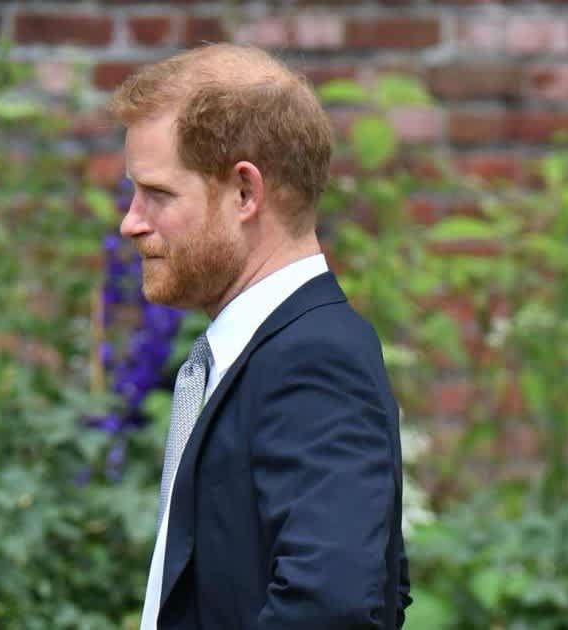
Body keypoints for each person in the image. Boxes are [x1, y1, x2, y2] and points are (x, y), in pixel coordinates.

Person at [110, 44, 410, 629]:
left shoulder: (314, 359)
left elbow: (332, 608)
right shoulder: (253, 354)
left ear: (246, 193)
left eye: (158, 194)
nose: (131, 221)